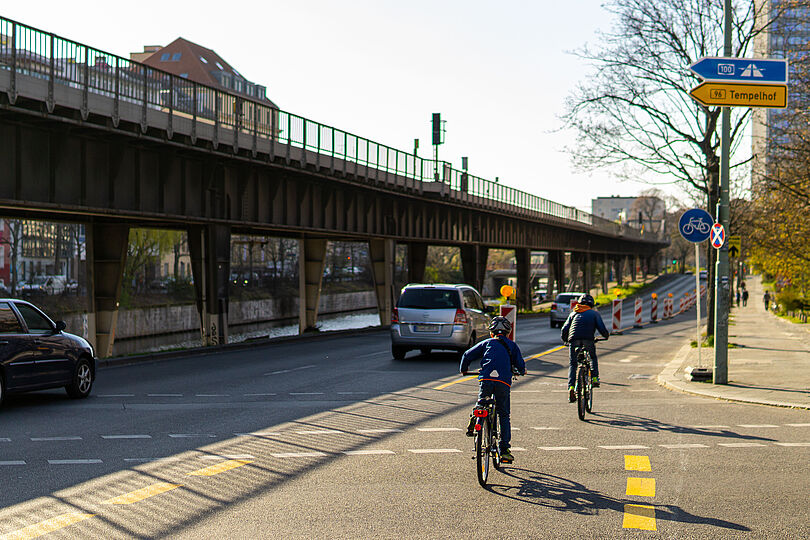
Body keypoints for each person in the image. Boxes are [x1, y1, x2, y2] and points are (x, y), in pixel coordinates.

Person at [460, 316, 526, 464]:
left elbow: (467, 355)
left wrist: (464, 369)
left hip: (486, 379)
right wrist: (522, 371)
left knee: (482, 401)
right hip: (503, 381)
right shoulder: (512, 345)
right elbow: (520, 364)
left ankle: (476, 414)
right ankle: (504, 450)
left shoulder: (486, 343)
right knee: (503, 414)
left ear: (491, 333)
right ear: (508, 333)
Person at [561, 293, 609, 403]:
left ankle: (571, 387)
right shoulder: (594, 313)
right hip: (588, 339)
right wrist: (606, 336)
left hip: (573, 339)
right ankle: (595, 378)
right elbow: (601, 328)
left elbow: (564, 329)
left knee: (573, 364)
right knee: (592, 357)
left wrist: (565, 339)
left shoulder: (574, 313)